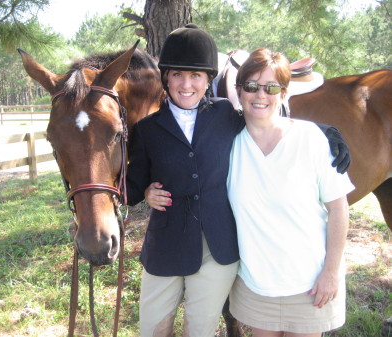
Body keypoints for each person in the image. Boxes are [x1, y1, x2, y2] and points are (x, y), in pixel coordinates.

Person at [126, 24, 350, 337]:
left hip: (222, 249)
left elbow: (270, 117)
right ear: (166, 78)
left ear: (208, 80)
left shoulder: (222, 115)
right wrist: (144, 191)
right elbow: (134, 183)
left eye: (196, 76)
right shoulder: (150, 128)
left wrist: (326, 131)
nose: (187, 84)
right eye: (177, 74)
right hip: (173, 246)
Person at [226, 48, 355, 337]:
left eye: (272, 87)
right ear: (240, 90)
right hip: (257, 286)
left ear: (284, 93)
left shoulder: (312, 140)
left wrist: (331, 273)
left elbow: (339, 208)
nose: (261, 95)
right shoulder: (228, 144)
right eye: (252, 86)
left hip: (310, 285)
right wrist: (148, 188)